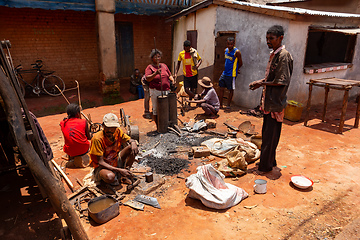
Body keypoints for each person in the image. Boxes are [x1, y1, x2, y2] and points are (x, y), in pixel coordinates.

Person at [249, 25, 293, 173]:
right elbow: (272, 78)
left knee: (269, 137)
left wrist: (261, 83)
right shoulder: (274, 54)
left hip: (275, 103)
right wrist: (260, 83)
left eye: (271, 39)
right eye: (267, 38)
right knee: (269, 135)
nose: (268, 41)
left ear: (280, 38)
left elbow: (281, 81)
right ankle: (270, 161)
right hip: (269, 103)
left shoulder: (283, 56)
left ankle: (265, 167)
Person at [90, 113, 139, 185]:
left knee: (132, 148)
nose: (110, 130)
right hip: (102, 166)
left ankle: (125, 174)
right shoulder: (97, 139)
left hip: (114, 159)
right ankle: (115, 176)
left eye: (113, 127)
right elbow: (101, 162)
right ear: (103, 125)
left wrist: (133, 142)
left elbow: (128, 139)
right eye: (108, 127)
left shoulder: (117, 131)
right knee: (110, 177)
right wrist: (119, 170)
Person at [145, 49, 175, 127]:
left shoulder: (164, 65)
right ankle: (158, 126)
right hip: (156, 91)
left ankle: (166, 124)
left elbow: (170, 75)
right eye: (155, 57)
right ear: (152, 58)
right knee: (156, 109)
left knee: (166, 107)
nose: (158, 58)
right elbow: (148, 78)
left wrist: (172, 80)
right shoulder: (150, 67)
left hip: (166, 90)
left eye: (159, 57)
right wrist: (155, 73)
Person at [218, 37, 243, 109]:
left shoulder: (237, 52)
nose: (230, 46)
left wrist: (236, 69)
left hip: (231, 74)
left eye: (231, 44)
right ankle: (220, 104)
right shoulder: (226, 50)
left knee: (230, 89)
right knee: (221, 88)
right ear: (226, 44)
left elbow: (241, 63)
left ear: (234, 44)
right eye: (228, 44)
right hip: (224, 73)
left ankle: (228, 105)